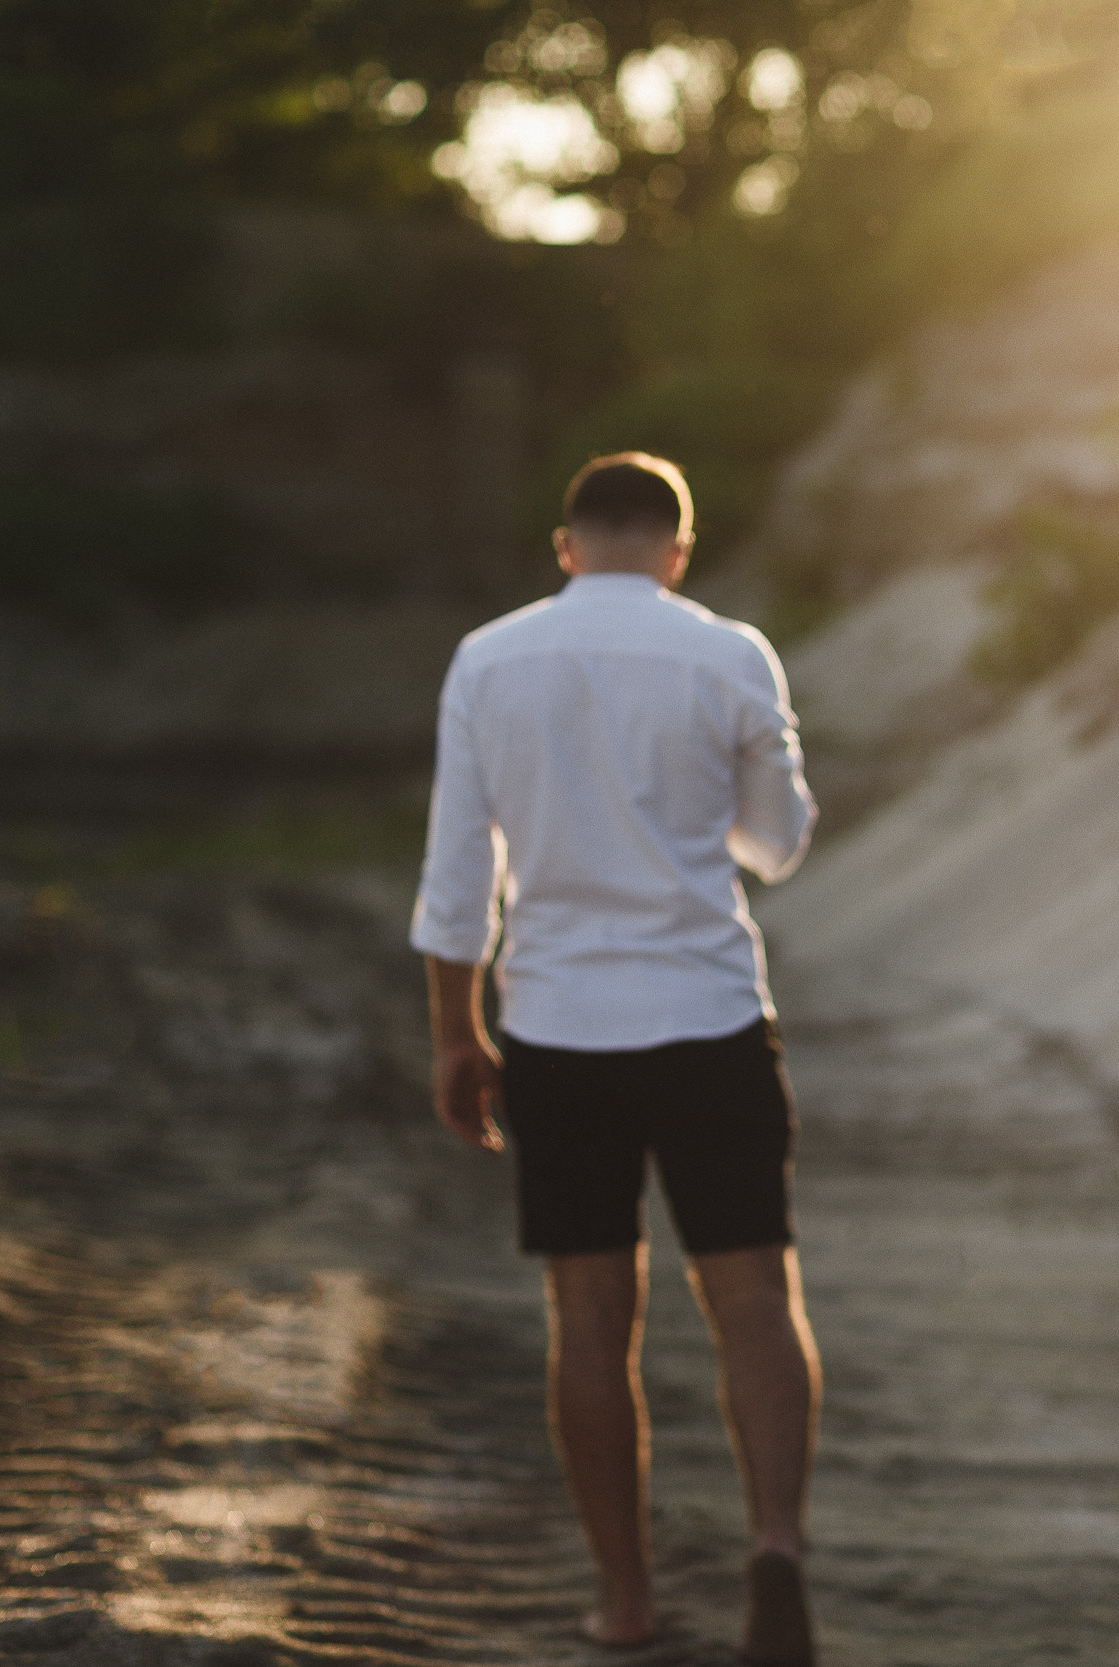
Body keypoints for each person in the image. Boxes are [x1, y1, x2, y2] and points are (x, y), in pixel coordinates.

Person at [409, 453, 822, 1666]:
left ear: (566, 545)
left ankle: (625, 1599)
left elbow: (457, 874)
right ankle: (777, 1544)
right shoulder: (730, 653)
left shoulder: (488, 659)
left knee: (589, 1313)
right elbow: (778, 842)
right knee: (753, 1297)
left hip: (558, 1027)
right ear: (678, 552)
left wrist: (456, 1033)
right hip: (709, 1016)